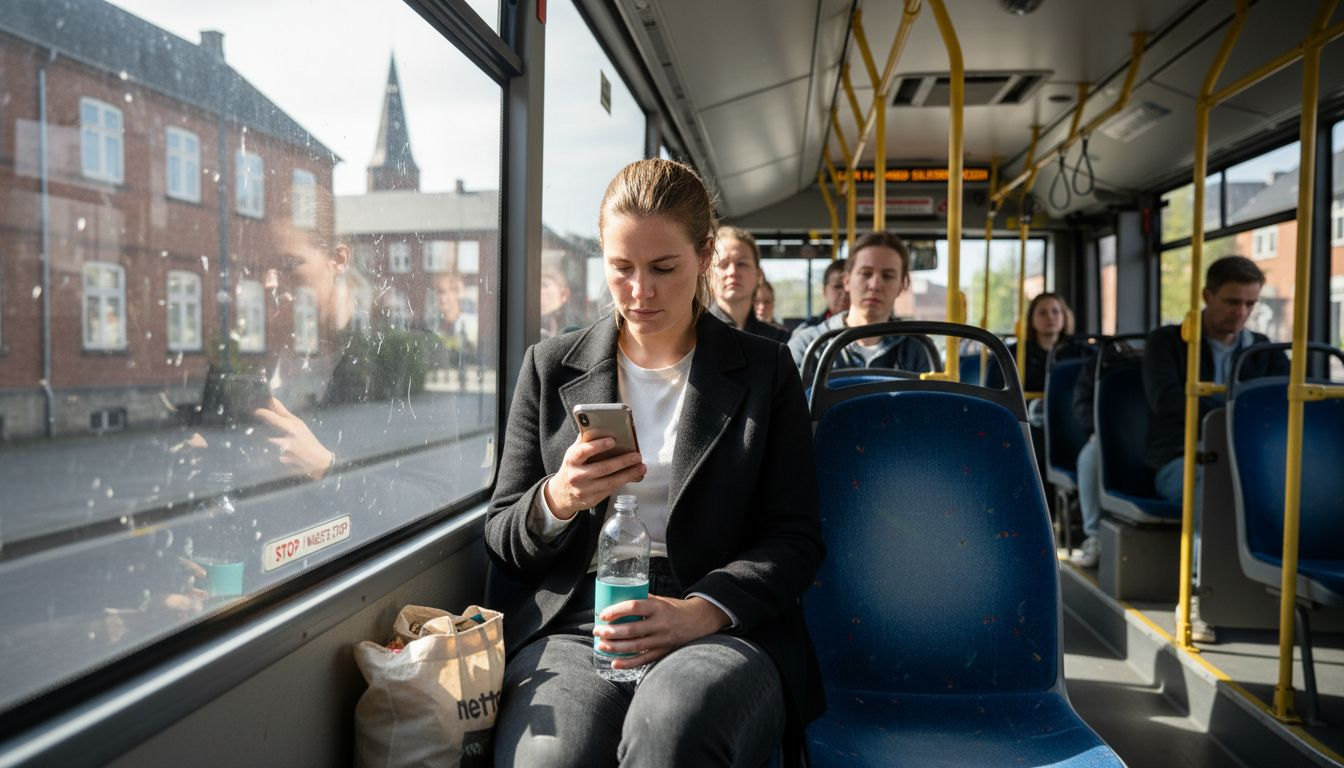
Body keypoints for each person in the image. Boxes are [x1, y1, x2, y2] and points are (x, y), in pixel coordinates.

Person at [486, 158, 825, 768]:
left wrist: (700, 613)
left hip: (721, 618)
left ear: (702, 255)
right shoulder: (551, 365)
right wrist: (558, 499)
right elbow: (503, 533)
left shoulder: (764, 371)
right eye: (621, 269)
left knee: (673, 730)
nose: (640, 292)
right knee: (549, 758)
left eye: (664, 268)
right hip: (581, 616)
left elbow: (795, 539)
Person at [1142, 255, 1288, 642]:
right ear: (1207, 295)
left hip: (1249, 461)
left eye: (1250, 304)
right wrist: (1238, 411)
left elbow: (1284, 402)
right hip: (1181, 454)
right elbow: (1167, 401)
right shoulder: (1168, 343)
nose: (1242, 313)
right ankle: (1196, 595)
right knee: (1210, 490)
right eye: (1232, 302)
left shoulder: (1264, 351)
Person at [787, 231, 934, 375]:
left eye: (888, 276)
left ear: (902, 286)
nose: (875, 285)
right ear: (847, 281)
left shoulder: (916, 349)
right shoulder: (808, 346)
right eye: (866, 273)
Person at [707, 225, 791, 344]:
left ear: (758, 275)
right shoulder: (690, 337)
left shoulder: (778, 341)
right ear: (709, 274)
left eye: (742, 264)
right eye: (723, 264)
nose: (732, 272)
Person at [802, 257, 848, 327]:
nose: (845, 292)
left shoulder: (869, 330)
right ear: (824, 291)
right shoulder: (809, 329)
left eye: (850, 285)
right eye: (838, 286)